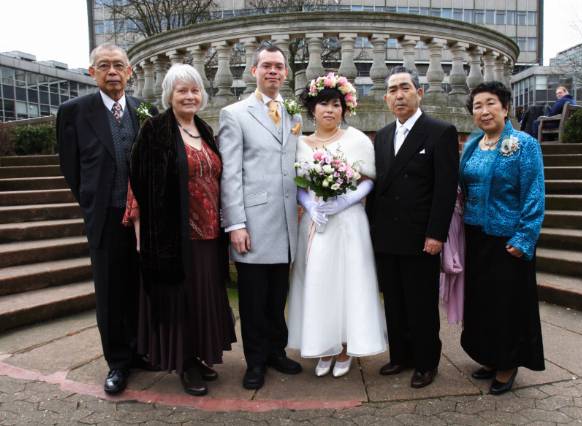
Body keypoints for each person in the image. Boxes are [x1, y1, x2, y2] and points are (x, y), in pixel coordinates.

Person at [127, 64, 236, 396]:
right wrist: (140, 231)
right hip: (174, 237)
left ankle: (199, 355)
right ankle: (184, 362)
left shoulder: (204, 129)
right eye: (182, 90)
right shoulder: (155, 130)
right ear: (169, 95)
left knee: (204, 297)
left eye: (194, 90)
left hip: (209, 234)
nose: (190, 96)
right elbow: (137, 182)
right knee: (181, 300)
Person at [57, 43, 157, 395]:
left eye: (118, 65)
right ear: (92, 72)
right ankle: (117, 361)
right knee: (111, 292)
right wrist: (92, 203)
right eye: (103, 66)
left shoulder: (145, 109)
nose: (112, 72)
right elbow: (71, 167)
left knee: (140, 287)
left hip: (143, 218)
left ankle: (140, 351)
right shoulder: (73, 112)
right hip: (105, 216)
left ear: (129, 71)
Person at [287, 74, 387, 378]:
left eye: (335, 105)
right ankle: (323, 345)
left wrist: (346, 200)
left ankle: (345, 347)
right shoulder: (300, 144)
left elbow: (368, 178)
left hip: (348, 221)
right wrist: (310, 205)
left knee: (348, 282)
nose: (329, 110)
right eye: (323, 104)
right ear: (312, 109)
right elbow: (299, 185)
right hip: (317, 222)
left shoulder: (357, 139)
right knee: (317, 281)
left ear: (344, 109)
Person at [366, 66, 459, 388]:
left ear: (419, 93)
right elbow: (378, 188)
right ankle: (400, 356)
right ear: (386, 99)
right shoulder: (382, 136)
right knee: (393, 300)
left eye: (405, 88)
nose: (399, 95)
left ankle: (425, 362)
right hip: (387, 235)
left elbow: (445, 189)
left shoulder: (440, 132)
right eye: (392, 90)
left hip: (421, 236)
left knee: (421, 304)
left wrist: (436, 234)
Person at [218, 44, 302, 390]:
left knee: (277, 296)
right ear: (253, 71)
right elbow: (230, 173)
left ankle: (276, 352)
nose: (273, 71)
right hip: (252, 223)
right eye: (266, 65)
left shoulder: (294, 113)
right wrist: (235, 224)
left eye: (278, 66)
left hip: (287, 224)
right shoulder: (234, 114)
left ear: (286, 72)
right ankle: (255, 362)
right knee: (253, 300)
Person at [460, 81, 545, 395]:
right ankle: (490, 356)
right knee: (483, 304)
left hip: (508, 240)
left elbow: (534, 193)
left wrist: (524, 238)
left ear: (505, 108)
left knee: (508, 306)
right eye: (477, 106)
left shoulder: (524, 144)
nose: (484, 111)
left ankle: (508, 364)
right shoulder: (473, 144)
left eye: (490, 103)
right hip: (476, 237)